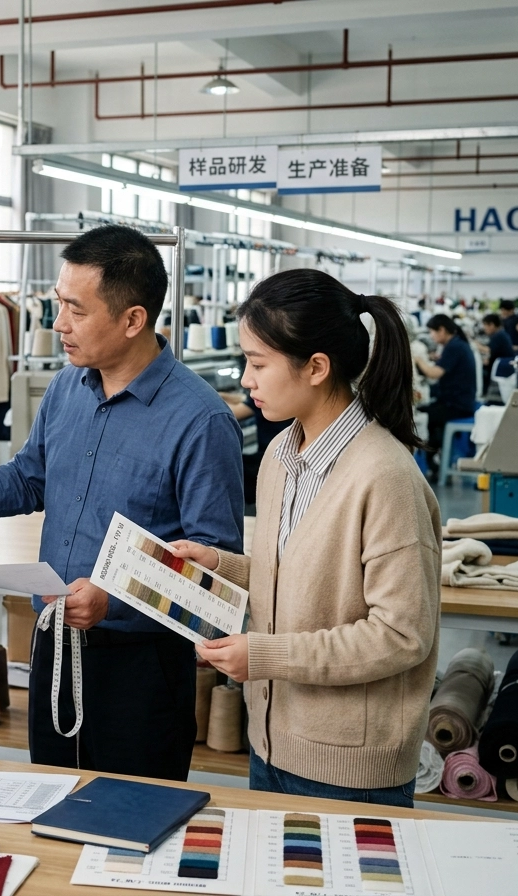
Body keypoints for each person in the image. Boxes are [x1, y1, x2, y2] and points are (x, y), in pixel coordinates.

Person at [0, 225, 244, 781]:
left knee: (130, 823)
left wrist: (112, 600)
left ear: (133, 319)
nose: (57, 324)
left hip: (140, 671)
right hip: (55, 645)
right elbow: (27, 479)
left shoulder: (200, 420)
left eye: (75, 309)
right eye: (57, 305)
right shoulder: (67, 388)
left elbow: (215, 582)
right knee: (51, 804)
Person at [169, 269, 440, 808]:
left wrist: (265, 656)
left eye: (257, 363)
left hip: (350, 767)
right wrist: (223, 565)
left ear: (316, 367)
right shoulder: (281, 456)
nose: (246, 380)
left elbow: (402, 634)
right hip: (272, 745)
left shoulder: (384, 477)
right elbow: (300, 577)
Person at [414, 313, 476, 477]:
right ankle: (432, 462)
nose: (431, 336)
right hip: (458, 402)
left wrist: (418, 360)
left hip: (457, 406)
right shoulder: (457, 344)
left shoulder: (454, 347)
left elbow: (434, 373)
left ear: (441, 330)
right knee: (429, 416)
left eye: (432, 332)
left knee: (421, 415)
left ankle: (426, 461)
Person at [477, 312, 515, 389]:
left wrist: (475, 344)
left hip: (501, 368)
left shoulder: (499, 336)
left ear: (492, 325)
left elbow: (488, 350)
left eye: (485, 325)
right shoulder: (501, 334)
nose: (484, 328)